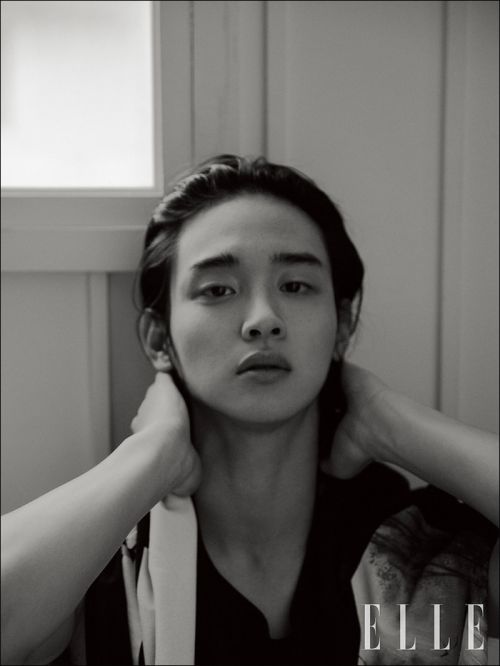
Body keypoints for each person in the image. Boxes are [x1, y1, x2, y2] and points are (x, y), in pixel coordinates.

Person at [1, 154, 498, 666]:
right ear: (159, 339)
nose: (263, 320)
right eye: (218, 290)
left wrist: (389, 423)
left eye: (295, 286)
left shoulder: (424, 545)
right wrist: (153, 454)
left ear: (343, 326)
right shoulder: (101, 561)